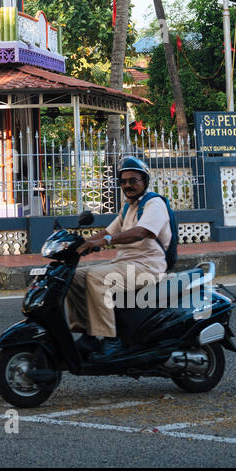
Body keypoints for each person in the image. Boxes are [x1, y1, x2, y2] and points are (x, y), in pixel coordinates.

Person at [65, 155, 172, 361]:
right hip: (125, 264)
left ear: (144, 181)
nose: (127, 185)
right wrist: (79, 244)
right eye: (123, 181)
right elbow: (106, 232)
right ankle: (88, 333)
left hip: (147, 267)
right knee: (74, 276)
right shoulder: (128, 206)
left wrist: (105, 241)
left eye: (133, 180)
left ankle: (110, 339)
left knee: (96, 278)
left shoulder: (154, 204)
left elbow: (141, 232)